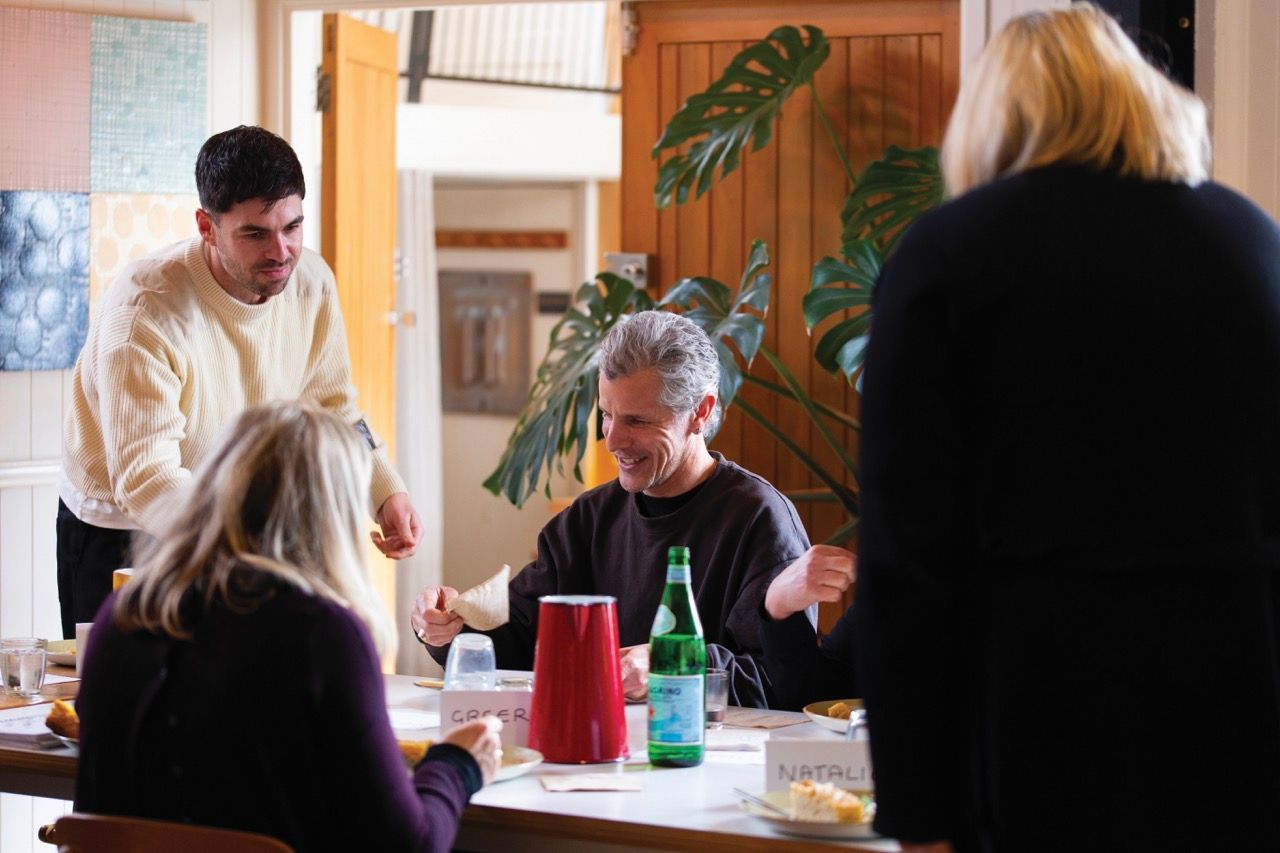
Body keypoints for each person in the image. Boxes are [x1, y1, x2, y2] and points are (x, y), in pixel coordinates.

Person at [849, 5, 1280, 852]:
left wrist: (917, 810)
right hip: (1244, 707)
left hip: (1045, 719)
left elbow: (906, 556)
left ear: (993, 118)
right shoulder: (1253, 242)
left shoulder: (950, 255)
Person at [74, 402, 500, 853]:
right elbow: (408, 846)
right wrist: (457, 764)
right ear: (331, 518)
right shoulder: (323, 637)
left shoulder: (123, 615)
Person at [57, 125, 420, 638]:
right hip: (125, 528)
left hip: (237, 528)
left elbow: (332, 408)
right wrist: (246, 552)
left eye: (292, 226)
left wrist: (383, 489)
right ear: (207, 227)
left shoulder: (311, 282)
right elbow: (147, 477)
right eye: (255, 234)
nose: (281, 251)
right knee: (124, 687)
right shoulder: (146, 310)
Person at [412, 310, 828, 708]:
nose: (612, 440)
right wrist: (450, 628)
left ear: (700, 412)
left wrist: (672, 665)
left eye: (637, 422)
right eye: (607, 415)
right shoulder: (587, 520)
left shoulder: (760, 520)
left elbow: (783, 684)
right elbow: (519, 646)